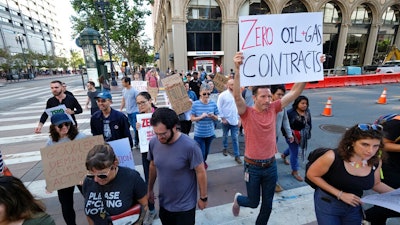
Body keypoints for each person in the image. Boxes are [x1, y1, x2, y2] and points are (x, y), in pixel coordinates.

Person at [231, 52, 307, 224]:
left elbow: (295, 92)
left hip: (271, 166)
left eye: (268, 96)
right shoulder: (247, 113)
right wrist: (237, 69)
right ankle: (238, 199)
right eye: (263, 97)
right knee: (252, 202)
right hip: (252, 167)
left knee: (267, 206)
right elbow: (237, 96)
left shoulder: (274, 108)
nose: (267, 100)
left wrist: (308, 72)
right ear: (255, 98)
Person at [307, 124, 394, 225]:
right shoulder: (332, 157)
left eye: (375, 146)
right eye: (365, 144)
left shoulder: (375, 161)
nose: (370, 151)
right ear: (352, 142)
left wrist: (396, 194)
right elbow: (312, 175)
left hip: (353, 206)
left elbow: (376, 184)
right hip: (328, 203)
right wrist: (340, 194)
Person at [148, 108, 208, 225]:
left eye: (163, 134)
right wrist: (149, 189)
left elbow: (200, 172)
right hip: (164, 204)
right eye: (156, 134)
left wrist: (203, 197)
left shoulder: (190, 146)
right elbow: (152, 166)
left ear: (175, 127)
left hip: (184, 208)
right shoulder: (153, 143)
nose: (159, 138)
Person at [83, 144, 149, 225]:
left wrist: (138, 223)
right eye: (91, 174)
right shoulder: (88, 181)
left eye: (102, 175)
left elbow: (144, 205)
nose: (96, 180)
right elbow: (88, 212)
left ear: (115, 164)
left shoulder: (132, 178)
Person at [45, 113, 86, 225]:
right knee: (66, 204)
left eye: (67, 124)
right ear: (53, 127)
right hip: (64, 177)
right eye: (60, 125)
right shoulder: (51, 142)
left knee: (90, 200)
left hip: (81, 175)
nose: (64, 127)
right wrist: (50, 182)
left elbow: (89, 156)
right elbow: (50, 164)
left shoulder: (80, 137)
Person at [365, 115, 400, 224]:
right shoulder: (396, 124)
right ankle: (366, 217)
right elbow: (381, 144)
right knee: (390, 202)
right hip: (391, 169)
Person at [135, 91, 158, 224]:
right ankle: (151, 210)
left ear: (150, 101)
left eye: (143, 102)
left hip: (163, 152)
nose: (140, 106)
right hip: (147, 155)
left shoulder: (160, 113)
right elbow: (141, 140)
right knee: (149, 184)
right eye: (138, 103)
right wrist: (138, 129)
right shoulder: (139, 117)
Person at [281, 95, 312, 182]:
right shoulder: (290, 112)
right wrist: (287, 135)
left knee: (294, 148)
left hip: (302, 136)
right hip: (291, 136)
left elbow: (309, 123)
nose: (304, 105)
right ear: (297, 103)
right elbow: (284, 124)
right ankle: (295, 171)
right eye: (302, 103)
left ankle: (284, 155)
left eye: (306, 103)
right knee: (295, 152)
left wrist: (308, 134)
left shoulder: (307, 111)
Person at [271, 84, 294, 192]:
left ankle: (273, 182)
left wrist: (289, 135)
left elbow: (285, 120)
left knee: (271, 160)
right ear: (272, 94)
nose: (280, 97)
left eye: (282, 95)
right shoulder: (265, 105)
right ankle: (273, 182)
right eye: (278, 94)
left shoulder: (282, 106)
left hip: (274, 138)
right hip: (262, 139)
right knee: (269, 161)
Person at [191, 83, 219, 169]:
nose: (206, 96)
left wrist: (213, 116)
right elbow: (192, 118)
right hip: (199, 134)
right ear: (200, 93)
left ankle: (203, 161)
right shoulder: (195, 104)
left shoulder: (213, 104)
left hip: (210, 133)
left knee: (206, 151)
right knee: (201, 152)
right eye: (204, 94)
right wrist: (201, 117)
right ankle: (201, 165)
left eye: (208, 94)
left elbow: (217, 118)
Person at [217, 78, 242, 164]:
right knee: (225, 135)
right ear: (228, 85)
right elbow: (218, 107)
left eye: (234, 84)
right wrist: (222, 118)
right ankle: (225, 147)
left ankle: (237, 155)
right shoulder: (222, 95)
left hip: (235, 119)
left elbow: (240, 107)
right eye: (231, 84)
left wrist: (240, 119)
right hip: (226, 120)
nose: (233, 86)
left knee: (235, 138)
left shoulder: (238, 94)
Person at [120, 77, 140, 148]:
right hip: (128, 112)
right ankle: (136, 141)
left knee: (135, 128)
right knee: (131, 126)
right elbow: (123, 100)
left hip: (135, 111)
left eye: (123, 82)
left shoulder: (135, 91)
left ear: (127, 82)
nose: (122, 84)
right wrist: (121, 109)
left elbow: (138, 101)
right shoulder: (124, 91)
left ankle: (136, 142)